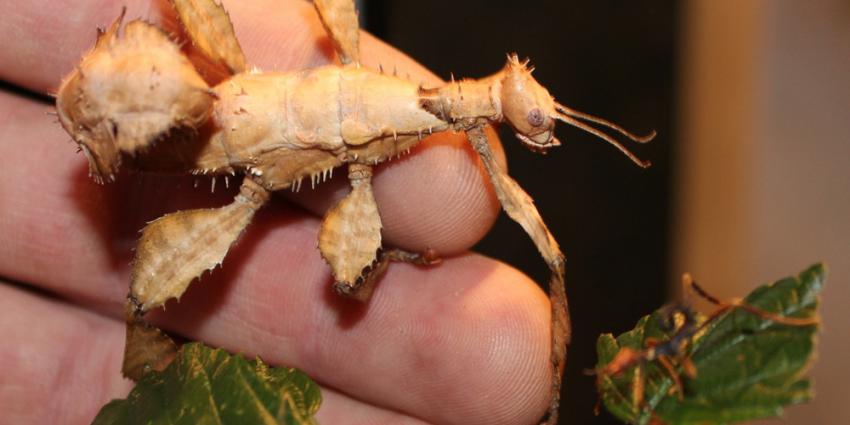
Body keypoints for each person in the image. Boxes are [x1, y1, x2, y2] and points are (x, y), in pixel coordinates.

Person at [0, 1, 553, 424]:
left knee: (348, 267)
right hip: (171, 121)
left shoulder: (442, 117)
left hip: (195, 105)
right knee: (347, 275)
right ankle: (143, 339)